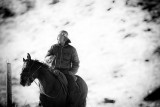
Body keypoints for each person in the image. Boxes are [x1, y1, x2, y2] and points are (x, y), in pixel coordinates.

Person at [45, 30, 80, 95]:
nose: (58, 38)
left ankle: (71, 103)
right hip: (53, 71)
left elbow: (76, 63)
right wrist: (49, 58)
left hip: (66, 72)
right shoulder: (53, 47)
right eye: (58, 37)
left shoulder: (72, 49)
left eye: (60, 37)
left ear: (65, 39)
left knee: (72, 87)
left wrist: (72, 72)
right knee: (44, 82)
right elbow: (46, 58)